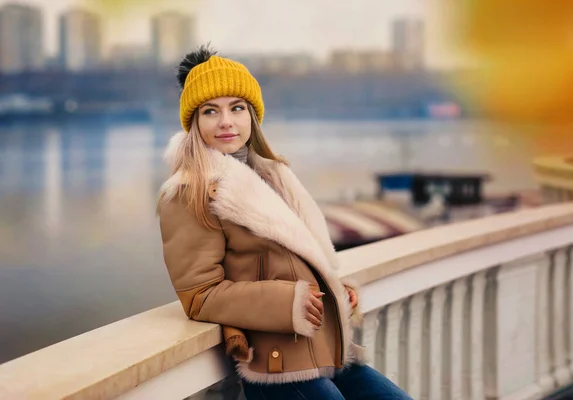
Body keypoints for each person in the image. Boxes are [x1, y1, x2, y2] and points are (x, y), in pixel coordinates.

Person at [157, 44, 413, 400]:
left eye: (237, 108)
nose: (226, 121)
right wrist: (288, 302)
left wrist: (335, 291)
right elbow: (198, 295)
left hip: (325, 348)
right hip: (276, 364)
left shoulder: (274, 176)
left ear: (253, 116)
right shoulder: (190, 192)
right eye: (210, 111)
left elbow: (293, 258)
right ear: (194, 122)